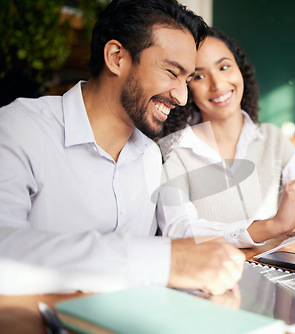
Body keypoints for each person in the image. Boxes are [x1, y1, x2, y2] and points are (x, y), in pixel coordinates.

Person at [0, 0, 245, 296]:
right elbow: (4, 247)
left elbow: (182, 226)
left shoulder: (151, 156)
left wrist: (265, 229)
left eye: (187, 79)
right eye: (171, 72)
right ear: (116, 57)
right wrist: (164, 260)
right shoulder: (21, 128)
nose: (182, 97)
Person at [158, 27, 295, 248]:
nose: (217, 84)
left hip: (274, 279)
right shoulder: (173, 150)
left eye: (224, 67)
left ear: (240, 70)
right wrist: (272, 226)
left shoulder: (272, 138)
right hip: (209, 281)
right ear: (187, 86)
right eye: (199, 76)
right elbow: (178, 229)